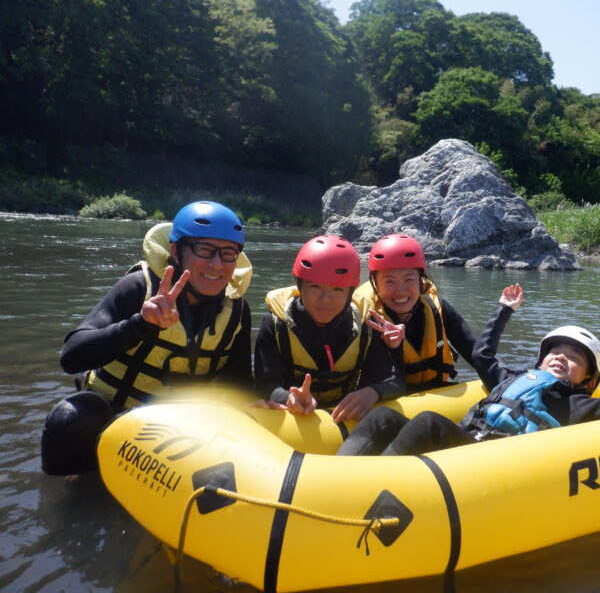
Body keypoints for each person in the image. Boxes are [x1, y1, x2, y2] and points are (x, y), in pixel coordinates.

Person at [42, 201, 254, 476]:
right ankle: (72, 500)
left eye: (228, 253)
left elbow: (238, 384)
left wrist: (268, 402)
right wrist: (140, 324)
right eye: (204, 249)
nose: (217, 264)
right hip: (113, 415)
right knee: (70, 419)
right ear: (176, 252)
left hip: (178, 429)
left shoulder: (236, 310)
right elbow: (71, 357)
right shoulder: (139, 287)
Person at [337, 284, 600, 456]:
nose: (560, 357)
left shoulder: (577, 404)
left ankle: (370, 488)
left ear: (588, 380)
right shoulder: (510, 380)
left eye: (574, 358)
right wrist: (504, 310)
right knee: (383, 418)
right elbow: (482, 353)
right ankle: (336, 476)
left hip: (490, 460)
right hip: (466, 441)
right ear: (540, 360)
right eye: (554, 351)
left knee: (427, 422)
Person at [254, 235, 403, 422]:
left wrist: (372, 392)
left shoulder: (365, 327)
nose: (326, 299)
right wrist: (288, 397)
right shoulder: (276, 325)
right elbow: (265, 384)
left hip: (345, 417)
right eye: (315, 287)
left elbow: (395, 381)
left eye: (338, 289)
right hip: (294, 418)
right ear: (300, 285)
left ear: (351, 291)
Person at [354, 233, 479, 391]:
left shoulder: (438, 309)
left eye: (409, 279)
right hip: (387, 403)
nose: (400, 291)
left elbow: (477, 352)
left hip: (436, 395)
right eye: (389, 281)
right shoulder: (365, 320)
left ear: (421, 280)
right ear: (375, 285)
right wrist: (390, 347)